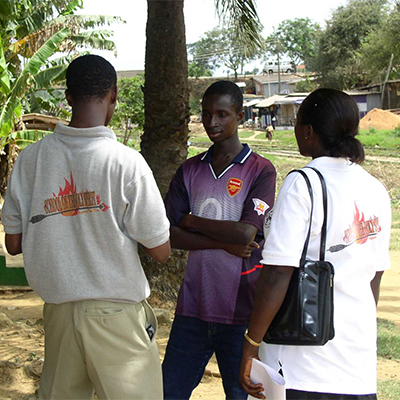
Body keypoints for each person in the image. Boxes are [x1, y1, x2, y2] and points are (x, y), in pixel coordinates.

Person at [2, 55, 171, 400]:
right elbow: (160, 250)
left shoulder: (31, 160)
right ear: (114, 95)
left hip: (59, 314)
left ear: (67, 97)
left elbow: (14, 243)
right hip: (117, 317)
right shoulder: (126, 162)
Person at [240, 88, 392, 400]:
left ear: (308, 132)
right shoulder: (375, 189)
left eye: (297, 123)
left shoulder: (303, 183)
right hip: (357, 366)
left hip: (304, 366)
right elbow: (374, 277)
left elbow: (277, 273)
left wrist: (250, 344)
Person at [162, 80, 276, 399]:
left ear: (239, 116)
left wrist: (190, 219)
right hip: (192, 309)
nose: (212, 122)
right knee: (168, 392)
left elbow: (246, 233)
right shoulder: (189, 170)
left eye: (222, 114)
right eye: (206, 114)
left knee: (239, 395)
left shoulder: (261, 170)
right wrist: (223, 243)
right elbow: (167, 233)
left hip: (241, 313)